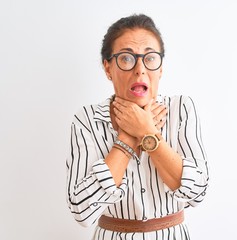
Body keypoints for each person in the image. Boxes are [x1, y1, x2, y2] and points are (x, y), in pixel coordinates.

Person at [66, 13, 209, 239]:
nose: (140, 69)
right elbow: (82, 211)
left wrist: (147, 133)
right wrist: (128, 137)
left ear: (160, 68)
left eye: (150, 58)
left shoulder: (181, 109)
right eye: (126, 58)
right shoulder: (87, 119)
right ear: (107, 68)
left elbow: (197, 193)